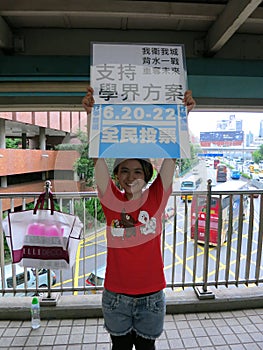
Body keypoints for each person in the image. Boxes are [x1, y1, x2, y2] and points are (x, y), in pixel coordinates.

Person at [82, 87, 195, 350]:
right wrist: (90, 115)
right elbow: (97, 157)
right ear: (117, 176)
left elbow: (172, 155)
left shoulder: (157, 198)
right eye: (124, 171)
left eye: (137, 171)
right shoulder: (111, 201)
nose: (130, 177)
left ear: (147, 174)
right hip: (116, 297)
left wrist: (183, 115)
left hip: (151, 297)